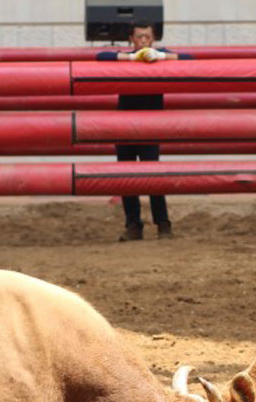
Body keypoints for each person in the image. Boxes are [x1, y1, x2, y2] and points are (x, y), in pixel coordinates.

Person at [96, 22, 192, 241]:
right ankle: (133, 226)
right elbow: (102, 57)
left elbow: (189, 59)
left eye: (147, 38)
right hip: (124, 127)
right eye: (139, 37)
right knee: (126, 177)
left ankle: (163, 224)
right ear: (131, 39)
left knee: (154, 176)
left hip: (151, 127)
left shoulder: (160, 57)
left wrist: (159, 56)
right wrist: (132, 58)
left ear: (153, 39)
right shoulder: (124, 59)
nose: (143, 41)